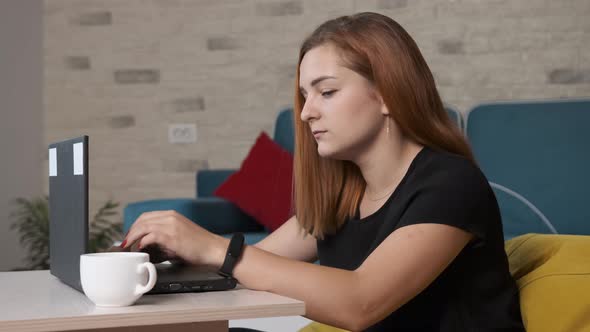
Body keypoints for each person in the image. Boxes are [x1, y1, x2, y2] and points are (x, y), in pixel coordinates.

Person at [123, 12, 524, 331]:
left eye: (326, 91)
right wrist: (156, 262)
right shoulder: (345, 194)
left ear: (387, 94)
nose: (306, 111)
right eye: (304, 95)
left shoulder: (451, 185)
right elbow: (252, 265)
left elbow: (360, 302)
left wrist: (214, 247)